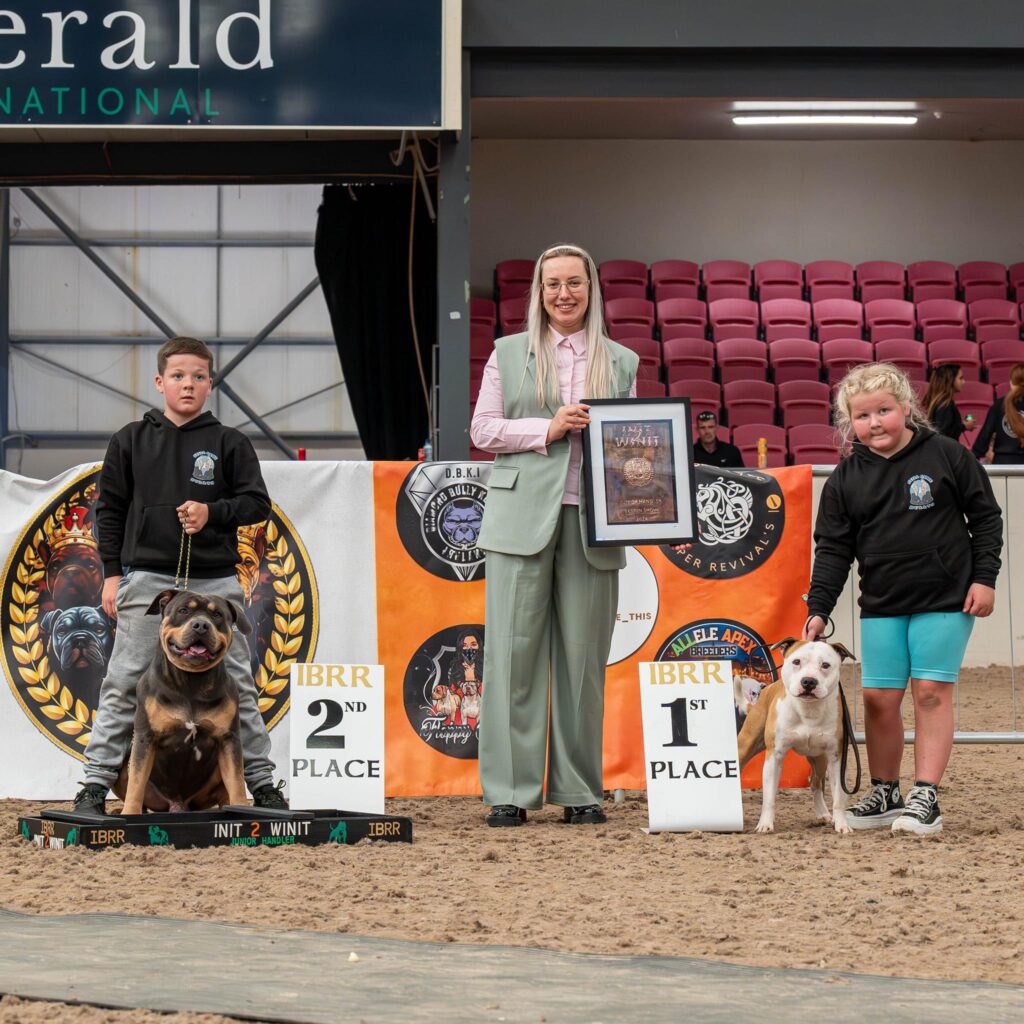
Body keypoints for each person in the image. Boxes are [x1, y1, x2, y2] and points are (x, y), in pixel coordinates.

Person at [74, 336, 288, 814]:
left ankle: (263, 785)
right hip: (148, 577)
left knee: (240, 683)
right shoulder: (129, 439)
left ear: (210, 384)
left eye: (197, 376)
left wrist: (213, 513)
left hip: (216, 583)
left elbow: (257, 505)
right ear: (159, 382)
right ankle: (93, 785)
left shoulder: (230, 442)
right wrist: (112, 574)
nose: (187, 384)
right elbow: (108, 510)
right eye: (177, 376)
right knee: (124, 679)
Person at [469, 242, 640, 828]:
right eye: (552, 285)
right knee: (512, 659)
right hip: (520, 520)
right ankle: (509, 791)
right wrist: (549, 428)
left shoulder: (621, 361)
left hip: (595, 523)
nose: (563, 294)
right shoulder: (507, 353)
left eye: (575, 283)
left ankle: (579, 790)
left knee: (583, 662)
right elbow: (483, 430)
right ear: (538, 294)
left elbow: (637, 444)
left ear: (591, 291)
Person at [803, 362, 1002, 836]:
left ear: (907, 408)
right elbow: (833, 549)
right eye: (863, 415)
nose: (875, 423)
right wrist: (819, 608)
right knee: (878, 698)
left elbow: (986, 519)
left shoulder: (949, 456)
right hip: (882, 603)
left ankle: (925, 796)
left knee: (931, 693)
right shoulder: (845, 479)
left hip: (946, 598)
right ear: (849, 422)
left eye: (885, 411)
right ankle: (886, 792)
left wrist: (985, 578)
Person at [971, 362, 1024, 465]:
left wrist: (973, 456)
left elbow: (984, 438)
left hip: (1002, 464)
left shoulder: (999, 404)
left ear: (1011, 382)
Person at [922, 363, 966, 441]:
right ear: (950, 380)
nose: (964, 382)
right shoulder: (945, 404)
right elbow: (944, 434)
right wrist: (964, 426)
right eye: (960, 378)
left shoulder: (940, 401)